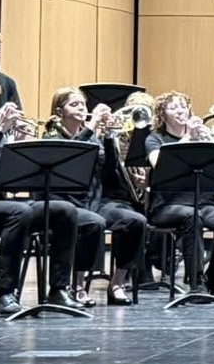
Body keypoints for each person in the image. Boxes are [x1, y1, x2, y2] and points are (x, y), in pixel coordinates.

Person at [0, 70, 87, 316]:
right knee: (18, 211)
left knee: (64, 210)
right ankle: (6, 293)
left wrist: (17, 144)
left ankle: (59, 289)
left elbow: (4, 173)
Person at [46, 87, 144, 304]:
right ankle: (79, 286)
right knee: (93, 223)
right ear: (59, 111)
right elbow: (72, 157)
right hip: (64, 202)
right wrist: (91, 127)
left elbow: (109, 174)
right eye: (74, 104)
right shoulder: (52, 133)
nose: (81, 108)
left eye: (83, 104)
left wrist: (110, 139)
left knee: (134, 221)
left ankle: (117, 283)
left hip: (95, 199)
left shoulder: (94, 137)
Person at [145, 91, 214, 298]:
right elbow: (161, 164)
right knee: (192, 217)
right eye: (173, 108)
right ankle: (196, 282)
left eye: (183, 106)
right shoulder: (154, 139)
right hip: (166, 205)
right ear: (162, 115)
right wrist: (188, 137)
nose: (180, 111)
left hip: (204, 202)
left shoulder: (203, 137)